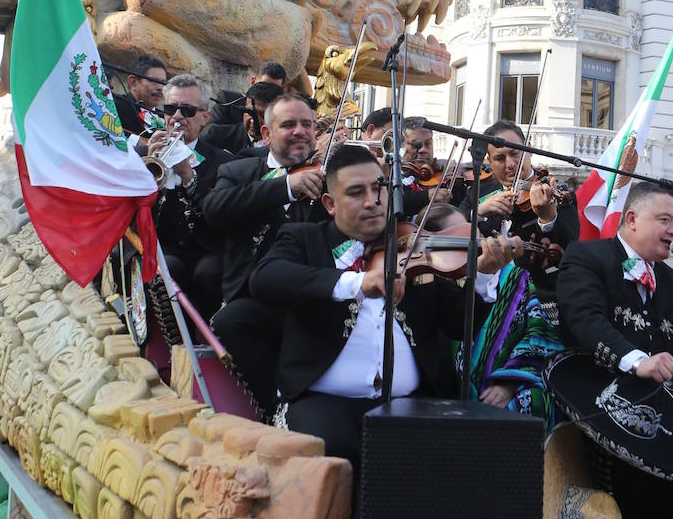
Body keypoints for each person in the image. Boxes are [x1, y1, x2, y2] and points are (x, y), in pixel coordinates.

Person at [249, 145, 518, 470]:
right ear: (330, 204)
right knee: (332, 456)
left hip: (412, 403)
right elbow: (266, 278)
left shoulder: (413, 246)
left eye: (380, 189)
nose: (372, 202)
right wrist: (358, 283)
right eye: (356, 192)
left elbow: (461, 325)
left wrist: (483, 276)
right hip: (325, 401)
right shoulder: (304, 239)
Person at [552, 182, 673, 519]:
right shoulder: (588, 256)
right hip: (596, 390)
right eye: (664, 220)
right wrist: (639, 361)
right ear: (631, 220)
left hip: (661, 401)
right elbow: (584, 319)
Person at [203, 93, 329, 414]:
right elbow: (215, 209)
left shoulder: (328, 176)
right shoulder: (239, 170)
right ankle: (275, 408)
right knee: (229, 322)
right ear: (266, 134)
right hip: (252, 297)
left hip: (310, 296)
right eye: (288, 125)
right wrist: (287, 186)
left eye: (307, 125)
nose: (300, 131)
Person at [147, 75, 230, 320]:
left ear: (205, 117)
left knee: (209, 271)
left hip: (206, 249)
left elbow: (220, 214)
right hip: (165, 248)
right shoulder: (146, 153)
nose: (177, 116)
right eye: (171, 109)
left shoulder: (224, 162)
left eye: (188, 110)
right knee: (167, 268)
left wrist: (187, 174)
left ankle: (207, 340)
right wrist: (146, 172)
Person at [460, 119, 579, 288]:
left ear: (529, 149)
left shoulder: (556, 192)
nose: (510, 165)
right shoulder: (478, 192)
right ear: (489, 161)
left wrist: (547, 219)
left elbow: (569, 245)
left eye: (515, 153)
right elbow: (453, 222)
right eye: (500, 158)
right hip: (487, 297)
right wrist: (478, 212)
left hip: (538, 294)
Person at [113, 54, 167, 140]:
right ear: (133, 82)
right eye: (153, 81)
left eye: (163, 83)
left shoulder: (166, 118)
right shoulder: (114, 106)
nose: (160, 88)